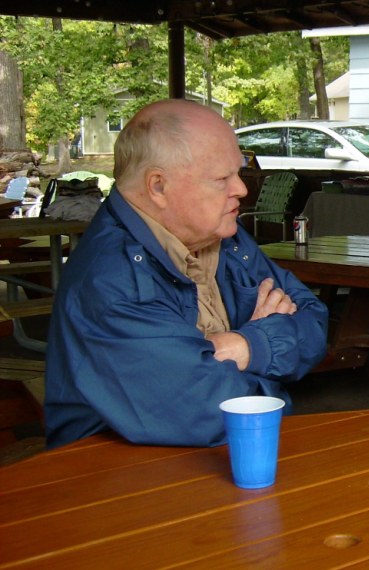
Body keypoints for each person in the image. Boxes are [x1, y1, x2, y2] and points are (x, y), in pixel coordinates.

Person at [45, 99, 329, 448]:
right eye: (222, 178)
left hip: (213, 458)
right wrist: (271, 366)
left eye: (237, 173)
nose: (241, 189)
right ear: (158, 187)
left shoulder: (224, 237)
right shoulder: (110, 282)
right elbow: (218, 412)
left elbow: (314, 320)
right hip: (113, 470)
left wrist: (246, 346)